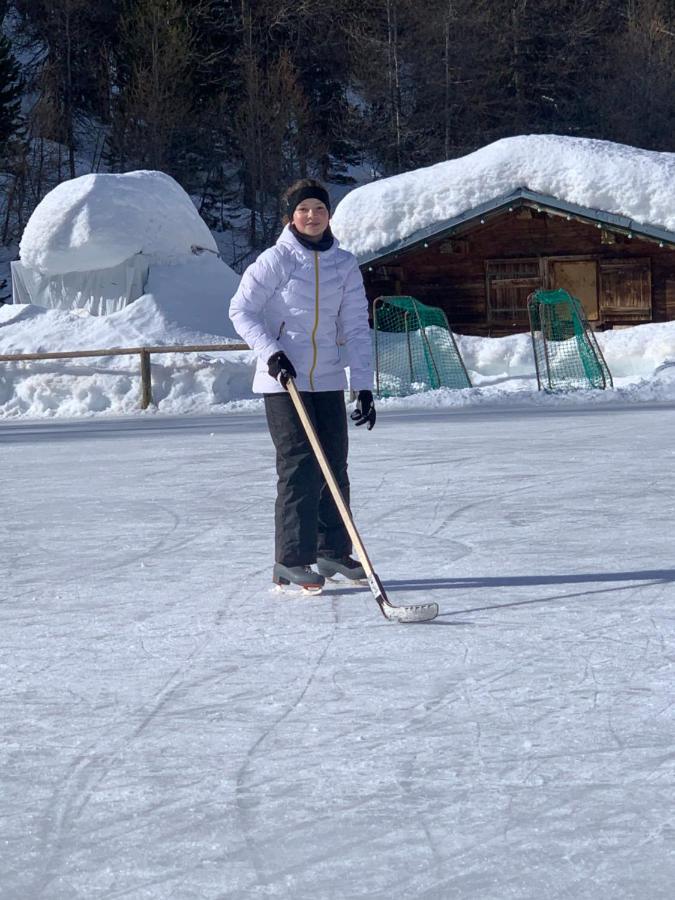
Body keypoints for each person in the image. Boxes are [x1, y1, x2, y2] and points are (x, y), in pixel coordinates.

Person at [229, 178, 376, 592]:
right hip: (283, 381)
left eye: (319, 209)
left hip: (326, 377)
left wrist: (362, 385)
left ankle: (333, 551)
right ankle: (291, 560)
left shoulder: (344, 264)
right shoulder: (276, 260)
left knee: (334, 465)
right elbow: (241, 309)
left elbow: (355, 328)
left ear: (329, 215)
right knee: (299, 468)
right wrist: (271, 352)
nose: (311, 216)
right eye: (303, 209)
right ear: (290, 217)